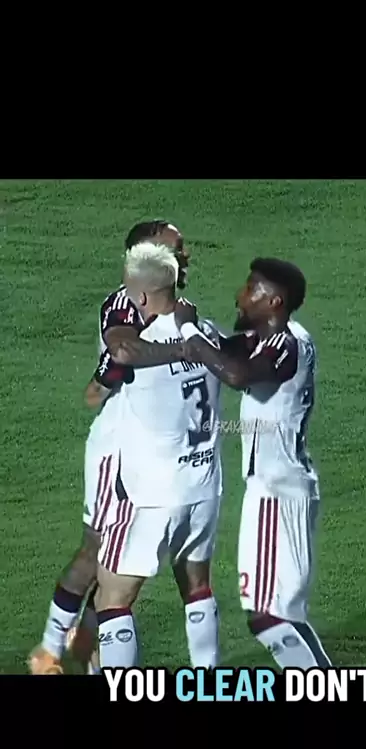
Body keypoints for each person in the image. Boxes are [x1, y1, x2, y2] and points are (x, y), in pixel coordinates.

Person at [29, 221, 189, 675]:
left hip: (158, 453)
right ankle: (50, 650)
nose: (184, 257)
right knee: (97, 551)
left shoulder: (179, 309)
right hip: (117, 451)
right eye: (174, 250)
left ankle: (91, 642)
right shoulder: (125, 304)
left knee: (128, 564)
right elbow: (121, 352)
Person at [161, 258, 332, 670]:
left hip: (277, 492)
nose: (241, 295)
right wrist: (195, 327)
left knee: (269, 617)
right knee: (278, 615)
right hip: (276, 488)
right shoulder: (270, 338)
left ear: (274, 301)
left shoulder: (285, 345)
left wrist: (189, 331)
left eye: (251, 288)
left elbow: (236, 374)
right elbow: (227, 349)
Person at [93, 241, 223, 670]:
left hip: (150, 496)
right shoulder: (208, 335)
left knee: (112, 600)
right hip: (202, 487)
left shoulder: (141, 350)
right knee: (197, 588)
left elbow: (114, 366)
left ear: (143, 297)